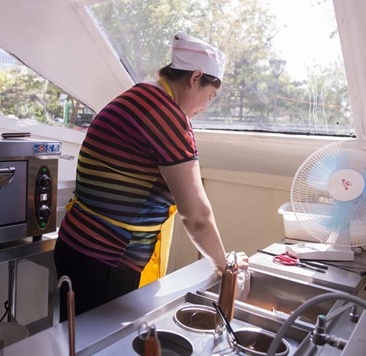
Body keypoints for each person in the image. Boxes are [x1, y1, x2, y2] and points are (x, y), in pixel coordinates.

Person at [54, 32, 249, 319]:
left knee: (79, 340)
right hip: (105, 259)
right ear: (195, 77)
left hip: (80, 247)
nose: (205, 107)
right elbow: (195, 216)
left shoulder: (140, 95)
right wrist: (226, 264)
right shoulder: (165, 114)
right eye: (209, 96)